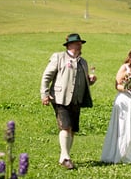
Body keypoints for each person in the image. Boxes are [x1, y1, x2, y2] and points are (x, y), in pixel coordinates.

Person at [40, 33, 96, 169]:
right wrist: (44, 93)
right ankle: (66, 158)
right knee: (65, 126)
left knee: (72, 130)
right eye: (77, 43)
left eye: (80, 43)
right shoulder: (58, 57)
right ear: (69, 45)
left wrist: (90, 81)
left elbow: (81, 81)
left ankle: (63, 157)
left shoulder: (83, 62)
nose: (80, 45)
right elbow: (46, 76)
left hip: (77, 99)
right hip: (60, 98)